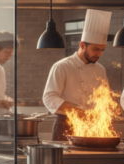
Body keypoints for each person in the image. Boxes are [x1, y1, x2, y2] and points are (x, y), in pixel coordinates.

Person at [42, 9, 112, 141]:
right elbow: (49, 98)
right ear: (82, 45)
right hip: (66, 124)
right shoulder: (62, 66)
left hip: (92, 125)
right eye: (95, 49)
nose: (99, 54)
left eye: (102, 50)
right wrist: (77, 111)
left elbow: (104, 97)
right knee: (64, 161)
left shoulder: (101, 69)